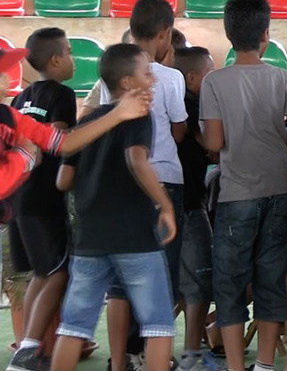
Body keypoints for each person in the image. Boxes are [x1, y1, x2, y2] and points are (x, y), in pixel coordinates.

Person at [52, 43, 177, 371]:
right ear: (127, 84)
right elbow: (136, 161)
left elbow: (63, 181)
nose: (151, 80)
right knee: (158, 325)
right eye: (146, 73)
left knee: (73, 326)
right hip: (134, 238)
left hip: (90, 239)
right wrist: (164, 204)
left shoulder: (88, 121)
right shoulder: (138, 115)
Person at [200, 0, 287, 371]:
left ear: (229, 35)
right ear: (265, 35)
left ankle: (233, 364)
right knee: (271, 279)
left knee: (229, 283)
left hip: (236, 194)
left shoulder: (214, 82)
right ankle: (263, 363)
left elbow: (213, 143)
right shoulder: (282, 79)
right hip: (280, 190)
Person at [99, 0, 187, 371]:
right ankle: (155, 359)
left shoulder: (114, 70)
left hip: (122, 181)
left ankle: (119, 362)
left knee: (119, 281)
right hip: (164, 179)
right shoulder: (171, 77)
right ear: (166, 33)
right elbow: (180, 131)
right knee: (159, 275)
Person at [4, 28, 76, 371]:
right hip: (43, 201)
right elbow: (55, 139)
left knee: (41, 274)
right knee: (58, 273)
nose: (74, 59)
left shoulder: (20, 98)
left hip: (17, 198)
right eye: (70, 52)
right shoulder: (62, 95)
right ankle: (31, 349)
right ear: (56, 59)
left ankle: (27, 348)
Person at [0, 47, 150, 209]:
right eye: (2, 73)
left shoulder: (8, 115)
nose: (6, 78)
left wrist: (118, 114)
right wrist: (22, 156)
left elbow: (64, 143)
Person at [173, 46, 215, 371]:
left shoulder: (172, 100)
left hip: (172, 201)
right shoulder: (191, 104)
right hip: (188, 203)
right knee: (199, 279)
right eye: (208, 74)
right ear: (191, 77)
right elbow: (211, 145)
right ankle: (192, 354)